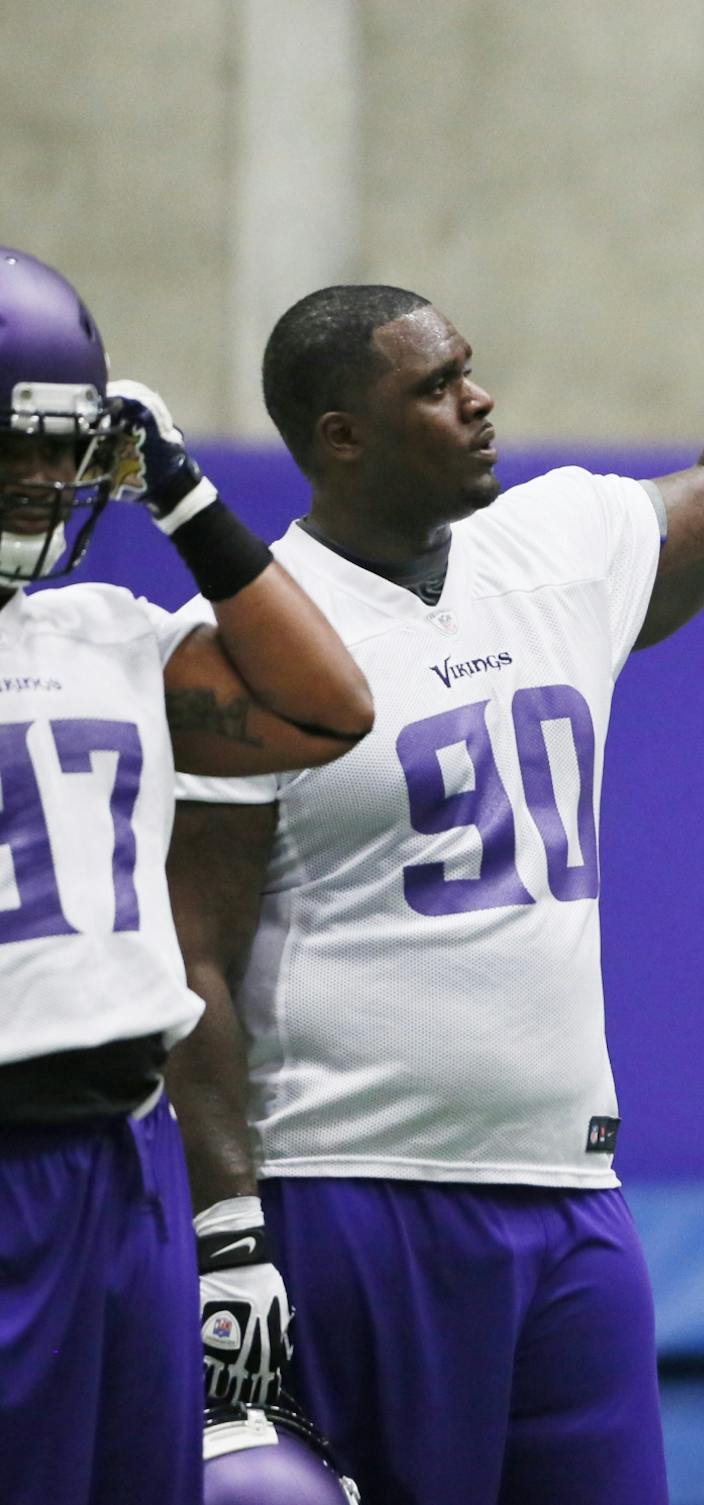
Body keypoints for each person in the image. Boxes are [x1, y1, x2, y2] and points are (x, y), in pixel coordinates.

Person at [160, 50, 704, 1505]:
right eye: (437, 387)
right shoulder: (251, 646)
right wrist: (229, 1234)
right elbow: (195, 949)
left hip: (569, 1189)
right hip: (356, 1191)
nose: (482, 398)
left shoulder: (556, 546)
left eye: (469, 368)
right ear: (342, 439)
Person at [0, 247, 373, 1505]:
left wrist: (185, 496)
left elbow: (329, 709)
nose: (48, 477)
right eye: (17, 443)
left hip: (121, 1153)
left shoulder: (105, 629)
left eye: (66, 446)